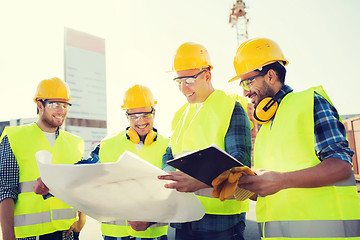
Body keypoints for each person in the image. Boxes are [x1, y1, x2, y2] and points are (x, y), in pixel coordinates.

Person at [228, 37, 360, 239]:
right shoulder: (264, 127)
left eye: (248, 81)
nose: (245, 91)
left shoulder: (310, 102)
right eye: (242, 84)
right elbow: (272, 189)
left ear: (270, 75)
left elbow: (341, 166)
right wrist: (245, 186)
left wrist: (281, 181)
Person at [35, 84, 169, 240]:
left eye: (145, 115)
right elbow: (83, 172)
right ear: (127, 116)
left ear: (154, 113)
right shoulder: (108, 144)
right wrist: (51, 184)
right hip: (114, 235)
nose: (140, 121)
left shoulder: (167, 147)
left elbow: (172, 192)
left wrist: (151, 220)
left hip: (153, 235)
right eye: (134, 116)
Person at [158, 42, 252, 240]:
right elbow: (169, 154)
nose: (183, 89)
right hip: (184, 217)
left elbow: (241, 163)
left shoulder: (231, 107)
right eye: (178, 82)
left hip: (221, 222)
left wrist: (200, 181)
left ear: (207, 76)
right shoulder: (179, 114)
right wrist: (169, 175)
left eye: (188, 81)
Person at [0, 77, 86, 240]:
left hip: (65, 234)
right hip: (29, 236)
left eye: (65, 105)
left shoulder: (76, 143)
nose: (62, 110)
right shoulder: (13, 138)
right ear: (40, 105)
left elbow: (81, 187)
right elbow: (5, 190)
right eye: (55, 105)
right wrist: (8, 237)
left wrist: (81, 220)